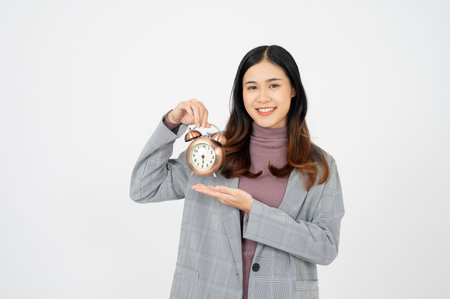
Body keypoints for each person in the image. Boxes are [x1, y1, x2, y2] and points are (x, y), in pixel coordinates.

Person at [129, 45, 345, 299]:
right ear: (241, 94)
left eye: (273, 85)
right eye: (252, 87)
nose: (262, 97)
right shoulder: (215, 152)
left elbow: (326, 247)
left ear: (293, 89)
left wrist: (256, 211)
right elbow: (143, 188)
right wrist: (172, 122)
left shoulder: (320, 165)